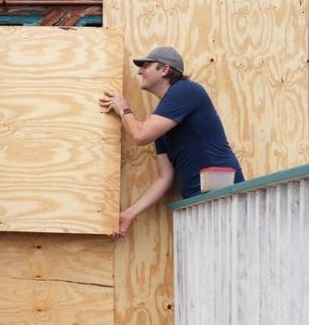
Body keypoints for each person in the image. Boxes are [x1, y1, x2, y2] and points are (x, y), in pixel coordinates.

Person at [99, 46, 244, 237]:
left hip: (222, 192)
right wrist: (129, 213)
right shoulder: (161, 122)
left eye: (146, 65)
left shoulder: (186, 90)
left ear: (165, 69)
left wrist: (123, 108)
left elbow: (140, 136)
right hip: (198, 199)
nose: (140, 70)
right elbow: (165, 177)